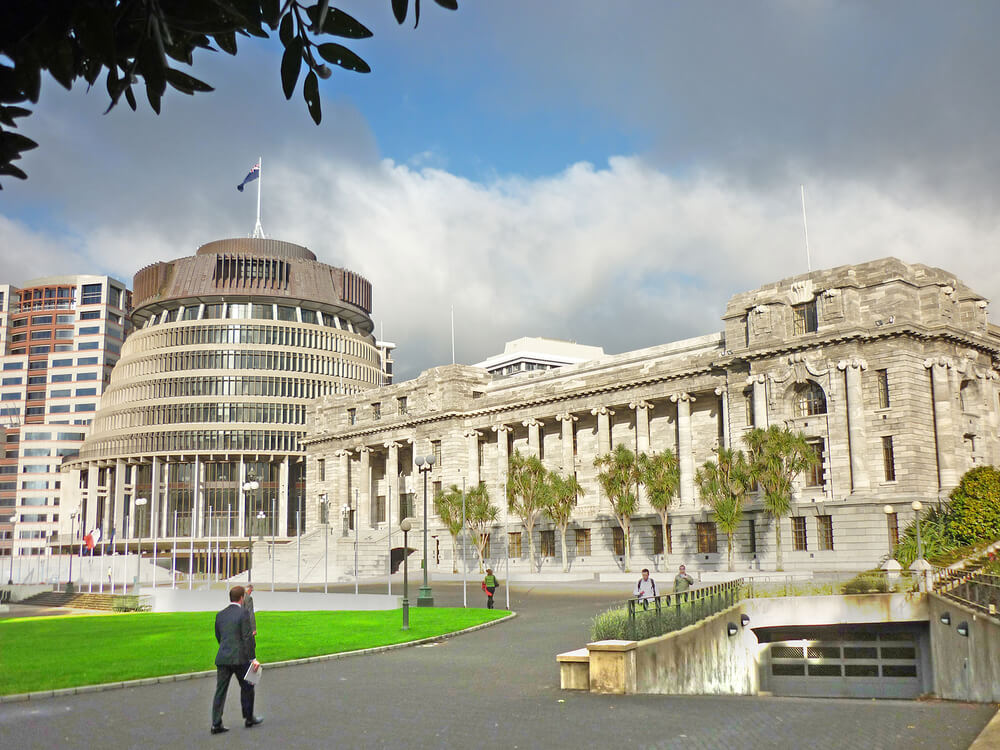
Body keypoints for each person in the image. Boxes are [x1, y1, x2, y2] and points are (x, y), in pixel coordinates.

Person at [211, 585, 263, 734]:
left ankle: (216, 723)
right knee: (248, 686)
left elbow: (219, 636)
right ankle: (248, 717)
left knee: (220, 691)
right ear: (242, 598)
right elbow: (247, 636)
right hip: (240, 658)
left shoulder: (220, 615)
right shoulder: (243, 613)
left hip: (223, 657)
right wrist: (253, 658)